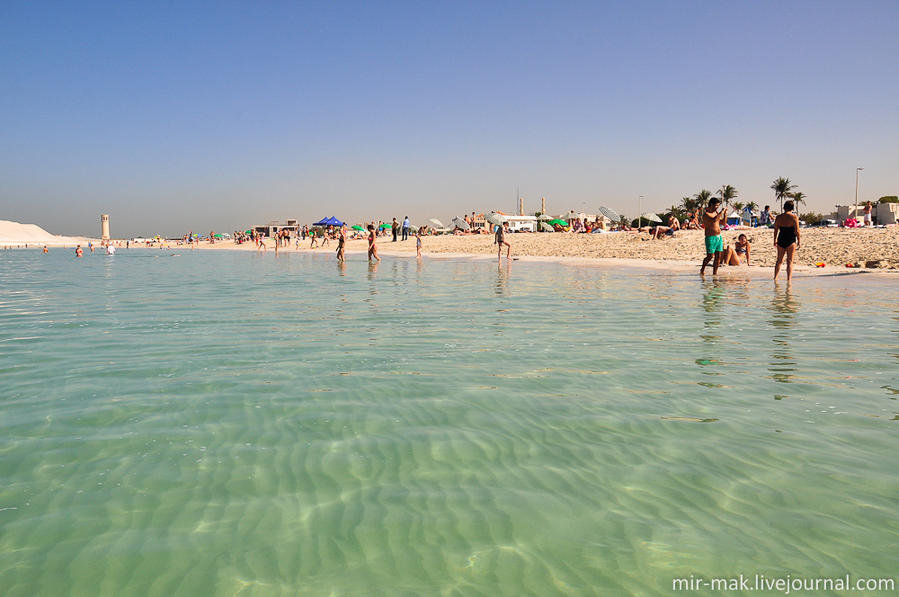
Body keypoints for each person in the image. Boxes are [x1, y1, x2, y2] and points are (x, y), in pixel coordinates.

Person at [774, 200, 800, 281]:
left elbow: (776, 230)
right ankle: (789, 280)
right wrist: (799, 241)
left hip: (781, 239)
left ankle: (775, 278)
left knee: (779, 261)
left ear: (784, 207)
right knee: (790, 261)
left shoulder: (778, 217)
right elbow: (797, 231)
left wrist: (774, 240)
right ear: (792, 208)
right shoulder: (794, 217)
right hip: (791, 240)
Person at [700, 198, 726, 275]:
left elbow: (723, 223)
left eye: (718, 205)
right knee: (710, 256)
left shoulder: (716, 213)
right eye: (716, 205)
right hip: (710, 238)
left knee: (718, 256)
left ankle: (715, 273)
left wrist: (725, 214)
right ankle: (702, 268)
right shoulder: (706, 214)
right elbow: (714, 220)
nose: (717, 207)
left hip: (718, 237)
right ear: (711, 204)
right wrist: (721, 212)